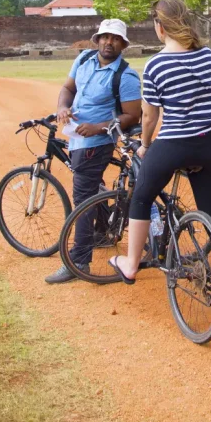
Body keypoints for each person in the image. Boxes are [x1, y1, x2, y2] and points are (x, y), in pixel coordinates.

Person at [107, 0, 211, 313]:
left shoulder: (157, 65)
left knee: (142, 197)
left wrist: (145, 144)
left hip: (173, 146)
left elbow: (149, 117)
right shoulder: (209, 57)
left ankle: (130, 264)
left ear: (160, 28)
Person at [45, 19, 142, 284]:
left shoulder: (125, 76)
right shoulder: (85, 59)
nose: (109, 42)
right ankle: (102, 233)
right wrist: (63, 107)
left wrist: (99, 128)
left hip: (96, 143)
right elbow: (68, 88)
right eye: (105, 37)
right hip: (76, 136)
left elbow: (133, 115)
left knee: (83, 199)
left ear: (123, 44)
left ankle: (79, 260)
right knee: (92, 188)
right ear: (97, 39)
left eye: (115, 39)